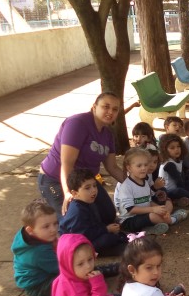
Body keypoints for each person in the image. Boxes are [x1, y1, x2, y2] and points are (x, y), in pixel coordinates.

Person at [38, 92, 126, 221]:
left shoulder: (108, 135)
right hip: (56, 179)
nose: (110, 112)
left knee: (108, 215)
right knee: (75, 221)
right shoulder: (77, 123)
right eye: (106, 106)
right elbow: (67, 163)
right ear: (94, 107)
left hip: (86, 181)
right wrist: (68, 192)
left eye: (115, 109)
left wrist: (136, 184)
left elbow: (112, 167)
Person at [60, 168, 128, 257]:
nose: (93, 190)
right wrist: (106, 229)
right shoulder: (77, 211)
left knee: (111, 236)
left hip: (88, 238)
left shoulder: (87, 203)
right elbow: (83, 235)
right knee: (107, 239)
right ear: (75, 193)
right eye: (87, 188)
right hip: (77, 245)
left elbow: (93, 225)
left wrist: (106, 228)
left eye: (94, 186)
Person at [114, 148, 181, 235]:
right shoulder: (126, 186)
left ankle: (147, 230)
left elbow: (148, 201)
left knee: (161, 210)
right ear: (129, 168)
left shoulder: (144, 182)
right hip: (128, 221)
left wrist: (161, 210)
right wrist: (153, 209)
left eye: (145, 165)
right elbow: (131, 210)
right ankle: (173, 220)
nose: (143, 168)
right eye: (139, 166)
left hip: (142, 216)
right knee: (153, 215)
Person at [11, 199, 60, 296]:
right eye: (46, 226)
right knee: (72, 279)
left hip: (41, 275)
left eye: (55, 223)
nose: (53, 229)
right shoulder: (39, 252)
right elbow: (61, 268)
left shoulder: (29, 235)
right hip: (38, 287)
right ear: (30, 230)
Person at [159, 133, 189, 206]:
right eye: (172, 148)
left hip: (177, 188)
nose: (176, 149)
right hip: (168, 192)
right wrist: (185, 191)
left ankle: (182, 199)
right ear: (165, 150)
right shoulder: (169, 164)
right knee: (179, 191)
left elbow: (182, 177)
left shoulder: (178, 160)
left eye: (178, 146)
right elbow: (178, 180)